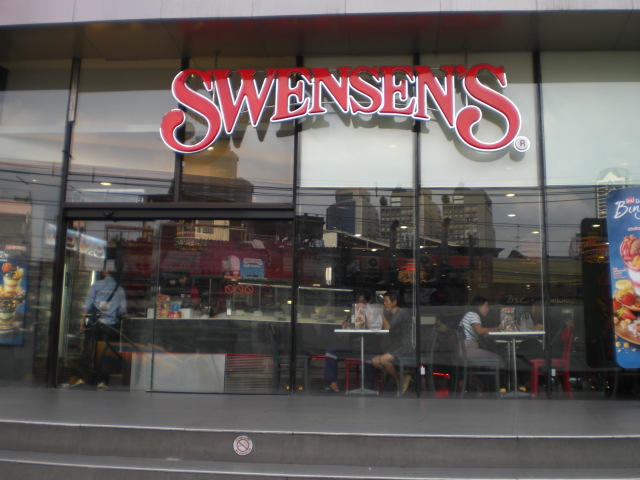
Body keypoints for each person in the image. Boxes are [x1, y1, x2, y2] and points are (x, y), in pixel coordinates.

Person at [72, 267, 127, 390]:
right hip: (109, 325)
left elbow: (87, 305)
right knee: (104, 353)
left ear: (105, 272)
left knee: (87, 350)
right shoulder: (120, 289)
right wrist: (112, 312)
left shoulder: (96, 285)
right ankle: (102, 381)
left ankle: (82, 378)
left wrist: (82, 323)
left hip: (93, 323)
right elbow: (122, 310)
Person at [323, 292, 377, 393]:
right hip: (353, 347)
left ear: (369, 302)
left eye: (363, 302)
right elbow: (341, 335)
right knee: (331, 352)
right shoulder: (354, 314)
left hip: (369, 347)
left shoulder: (374, 314)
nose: (360, 304)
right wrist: (344, 326)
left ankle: (370, 386)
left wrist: (367, 319)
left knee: (369, 358)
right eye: (358, 302)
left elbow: (377, 329)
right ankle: (333, 384)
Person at [371, 291, 415, 396]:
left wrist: (381, 313)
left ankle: (398, 381)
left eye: (386, 301)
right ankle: (400, 377)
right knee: (375, 361)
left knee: (383, 360)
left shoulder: (401, 313)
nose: (384, 304)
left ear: (394, 302)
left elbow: (387, 327)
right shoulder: (390, 313)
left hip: (407, 346)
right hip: (397, 345)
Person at [459, 296, 505, 364]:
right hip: (468, 349)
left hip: (466, 348)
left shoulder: (471, 314)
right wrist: (498, 328)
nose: (488, 309)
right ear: (479, 306)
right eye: (486, 306)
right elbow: (480, 331)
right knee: (498, 358)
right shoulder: (473, 314)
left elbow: (482, 333)